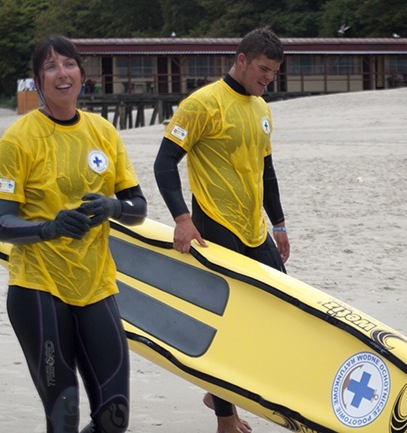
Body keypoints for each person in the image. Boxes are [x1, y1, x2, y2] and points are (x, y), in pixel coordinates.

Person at [0, 35, 147, 433]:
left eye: (69, 64)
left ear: (81, 72)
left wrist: (114, 208)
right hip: (38, 287)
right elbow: (1, 222)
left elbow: (138, 207)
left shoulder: (103, 132)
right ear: (38, 81)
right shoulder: (18, 140)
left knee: (114, 418)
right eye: (50, 67)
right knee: (65, 415)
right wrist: (50, 227)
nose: (62, 74)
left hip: (96, 286)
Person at [153, 27, 289, 433]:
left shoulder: (262, 110)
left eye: (274, 72)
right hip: (213, 227)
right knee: (227, 323)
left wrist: (279, 225)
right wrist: (181, 218)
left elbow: (266, 172)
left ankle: (217, 391)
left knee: (279, 309)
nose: (268, 78)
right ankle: (225, 419)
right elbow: (164, 164)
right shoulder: (201, 104)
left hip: (254, 229)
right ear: (242, 60)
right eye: (264, 69)